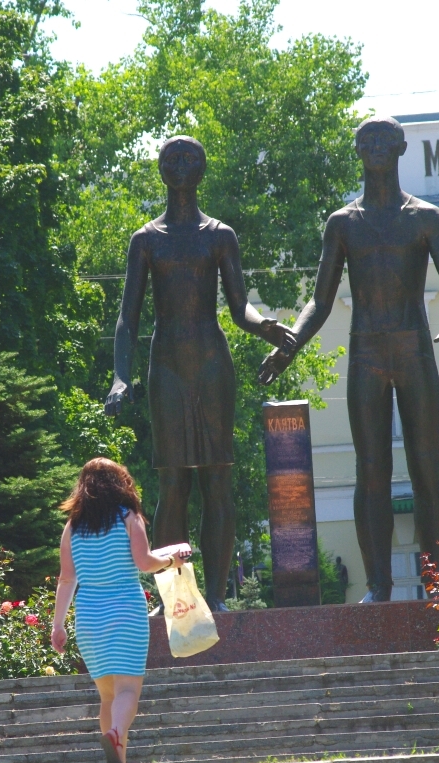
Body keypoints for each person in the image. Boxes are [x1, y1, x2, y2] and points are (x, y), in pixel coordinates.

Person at [258, 116, 439, 602]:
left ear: (400, 148)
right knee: (370, 469)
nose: (375, 146)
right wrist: (289, 344)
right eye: (367, 140)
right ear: (358, 150)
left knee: (428, 467)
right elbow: (320, 299)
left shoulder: (425, 218)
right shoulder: (343, 223)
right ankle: (379, 586)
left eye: (384, 139)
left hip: (415, 349)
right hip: (367, 354)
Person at [103, 135, 294, 611]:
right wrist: (120, 376)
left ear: (203, 167)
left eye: (189, 157)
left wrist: (265, 327)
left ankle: (215, 598)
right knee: (172, 483)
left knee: (216, 479)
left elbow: (238, 307)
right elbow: (128, 318)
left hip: (211, 364)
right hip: (167, 365)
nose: (181, 164)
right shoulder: (146, 239)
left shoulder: (219, 235)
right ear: (161, 169)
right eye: (172, 157)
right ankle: (177, 599)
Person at [50, 458, 190, 763]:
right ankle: (115, 734)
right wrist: (172, 560)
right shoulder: (128, 516)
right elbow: (144, 562)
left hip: (89, 617)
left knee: (107, 695)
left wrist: (57, 624)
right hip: (126, 611)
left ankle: (118, 762)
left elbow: (67, 579)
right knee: (128, 690)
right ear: (121, 482)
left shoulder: (72, 526)